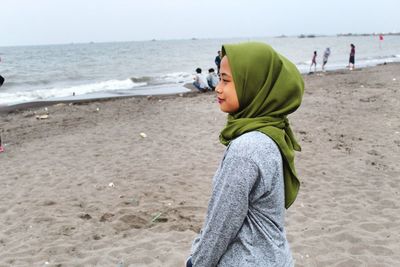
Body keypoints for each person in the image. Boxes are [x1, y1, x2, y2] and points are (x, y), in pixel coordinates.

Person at [186, 42, 304, 266]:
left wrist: (196, 263)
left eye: (226, 80)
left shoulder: (246, 149)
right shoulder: (272, 132)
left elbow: (220, 226)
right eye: (219, 79)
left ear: (254, 85)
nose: (218, 88)